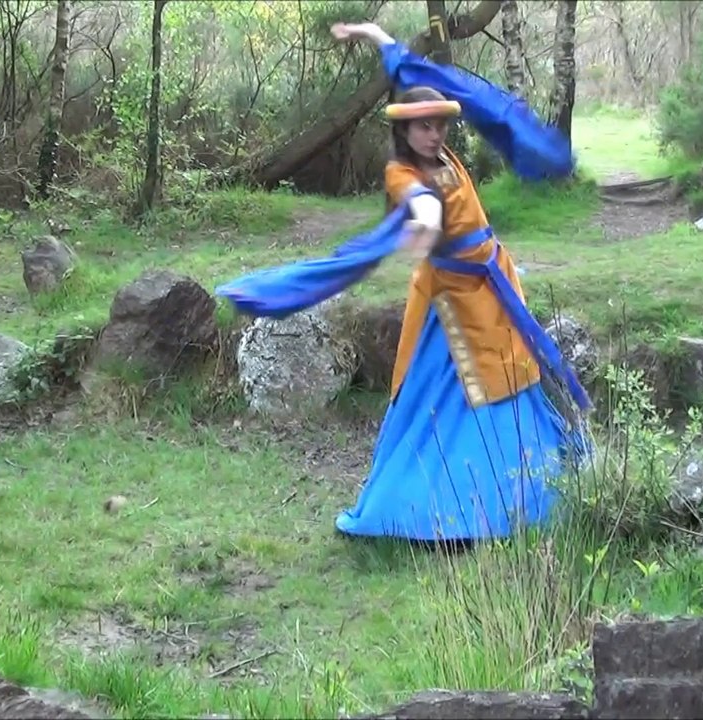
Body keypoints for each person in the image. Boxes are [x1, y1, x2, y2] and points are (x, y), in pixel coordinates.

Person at [217, 21, 592, 545]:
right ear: (404, 132)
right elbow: (421, 203)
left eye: (439, 125)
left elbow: (406, 64)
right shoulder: (403, 173)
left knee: (511, 376)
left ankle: (532, 492)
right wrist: (424, 222)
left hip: (492, 289)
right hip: (455, 304)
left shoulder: (442, 156)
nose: (434, 134)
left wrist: (371, 33)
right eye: (423, 127)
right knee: (457, 392)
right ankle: (444, 510)